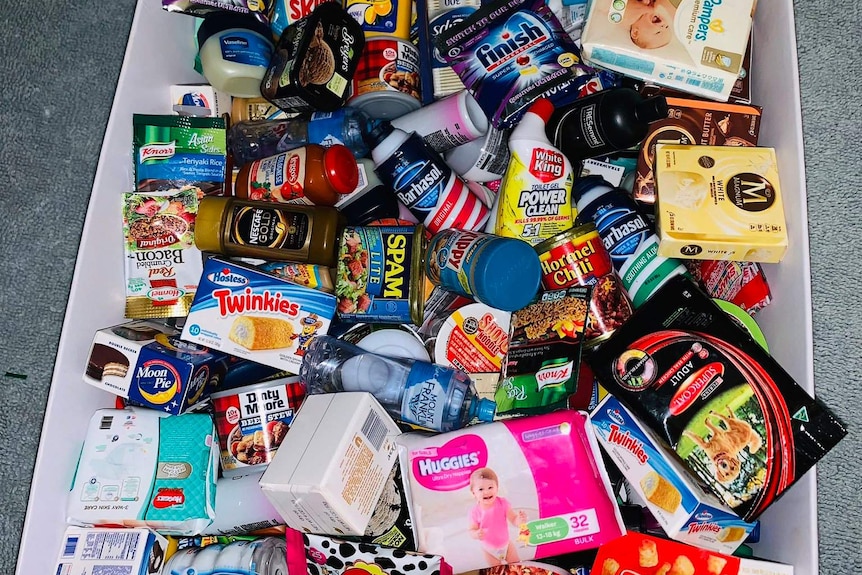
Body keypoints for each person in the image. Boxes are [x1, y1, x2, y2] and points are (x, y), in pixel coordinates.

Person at [468, 467, 527, 566]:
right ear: (474, 493)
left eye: (490, 487)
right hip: (489, 550)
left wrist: (520, 520)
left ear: (497, 487)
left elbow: (513, 519)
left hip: (507, 545)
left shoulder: (503, 503)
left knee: (517, 566)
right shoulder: (474, 512)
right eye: (481, 489)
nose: (486, 492)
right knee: (497, 571)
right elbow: (471, 530)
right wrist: (476, 534)